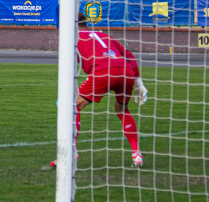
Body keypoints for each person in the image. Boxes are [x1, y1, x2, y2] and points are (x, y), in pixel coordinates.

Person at [50, 12, 147, 168]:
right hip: (126, 71)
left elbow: (69, 67)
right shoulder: (102, 34)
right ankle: (136, 154)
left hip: (103, 72)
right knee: (122, 110)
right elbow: (129, 55)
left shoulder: (72, 38)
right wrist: (139, 83)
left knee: (73, 106)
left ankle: (71, 153)